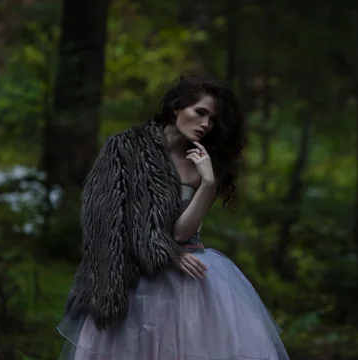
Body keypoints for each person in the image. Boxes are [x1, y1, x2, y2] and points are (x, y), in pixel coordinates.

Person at [56, 75, 290, 360]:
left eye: (212, 119)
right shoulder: (126, 148)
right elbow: (105, 220)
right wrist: (165, 253)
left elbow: (181, 234)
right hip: (133, 279)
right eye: (199, 112)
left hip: (189, 283)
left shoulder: (205, 162)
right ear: (177, 107)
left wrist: (208, 184)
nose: (205, 124)